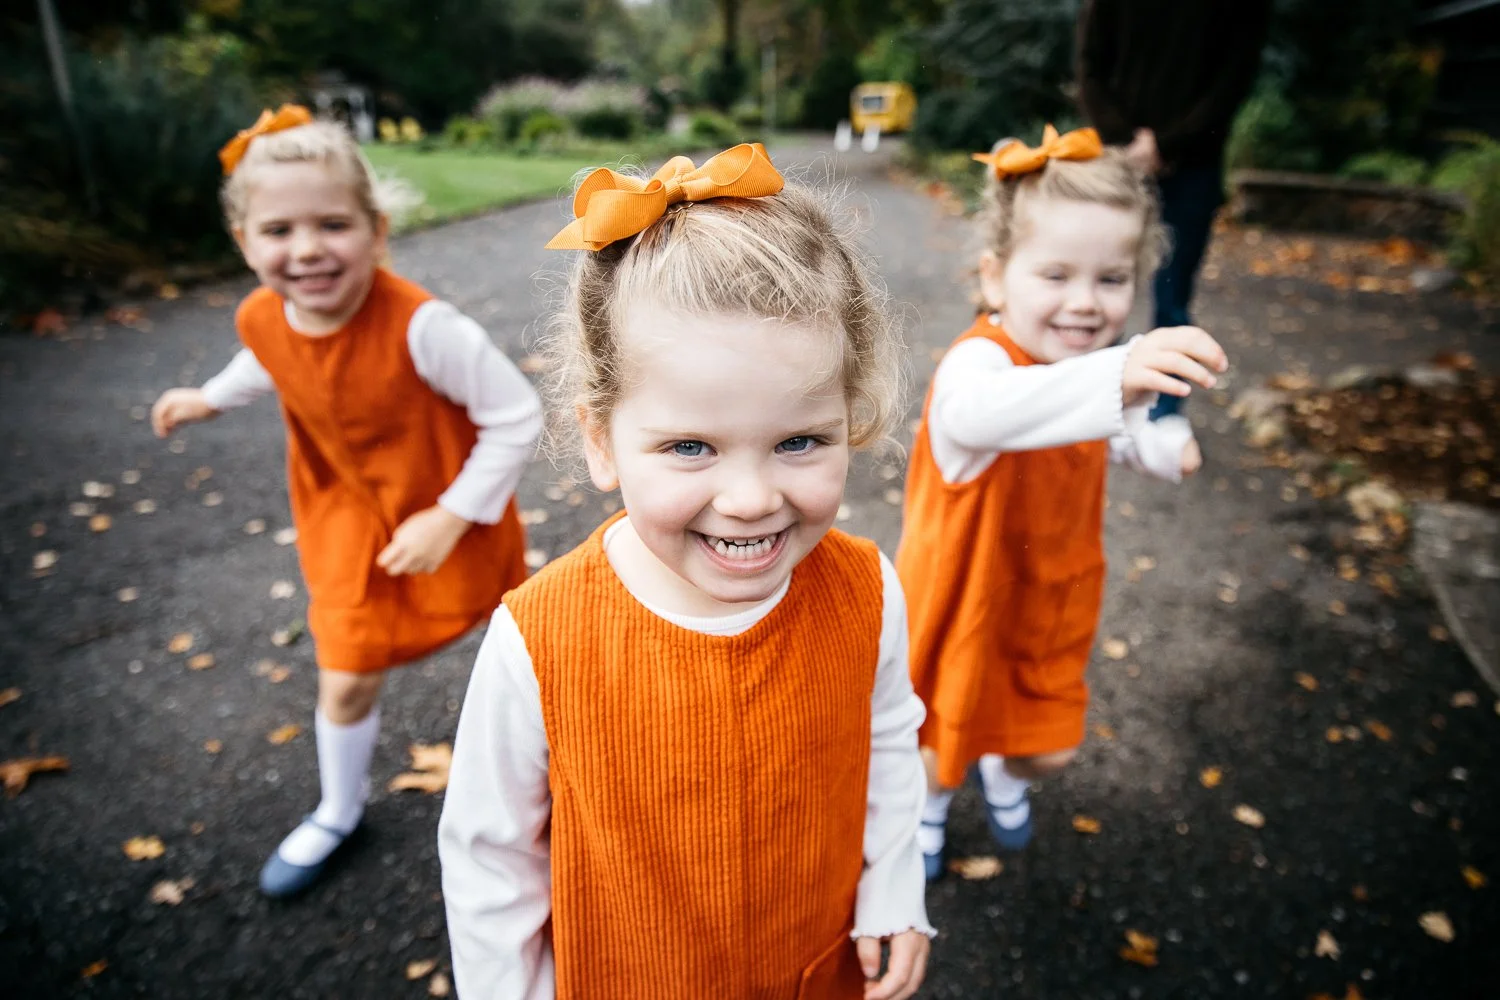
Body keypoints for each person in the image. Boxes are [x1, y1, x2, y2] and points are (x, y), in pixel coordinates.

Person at [438, 144, 933, 1000]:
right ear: (602, 440)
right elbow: (490, 859)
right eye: (690, 447)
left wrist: (894, 884)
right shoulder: (539, 637)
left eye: (799, 441)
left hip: (813, 968)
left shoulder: (864, 589)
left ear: (848, 415)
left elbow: (888, 736)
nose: (748, 498)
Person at [150, 106, 542, 898]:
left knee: (514, 648)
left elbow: (517, 415)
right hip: (343, 523)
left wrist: (452, 513)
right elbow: (269, 357)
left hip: (446, 513)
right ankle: (337, 810)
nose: (307, 251)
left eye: (333, 224)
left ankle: (546, 773)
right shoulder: (261, 314)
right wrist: (209, 397)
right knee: (347, 668)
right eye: (279, 231)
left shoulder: (427, 328)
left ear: (376, 229)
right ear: (245, 242)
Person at [895, 126, 1229, 878]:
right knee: (940, 738)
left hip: (1048, 595)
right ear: (994, 278)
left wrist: (1163, 445)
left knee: (1050, 741)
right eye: (1055, 276)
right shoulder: (982, 363)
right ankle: (928, 810)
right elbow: (982, 413)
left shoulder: (1094, 373)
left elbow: (1122, 432)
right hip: (963, 595)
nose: (1085, 304)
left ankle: (1007, 775)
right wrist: (1123, 372)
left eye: (1112, 280)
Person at [1076, 0, 1270, 419]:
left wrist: (1166, 144)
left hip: (1192, 165)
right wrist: (1123, 139)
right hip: (1116, 160)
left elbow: (1230, 82)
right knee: (1098, 282)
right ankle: (1094, 399)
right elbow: (1089, 67)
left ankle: (1162, 414)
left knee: (1173, 293)